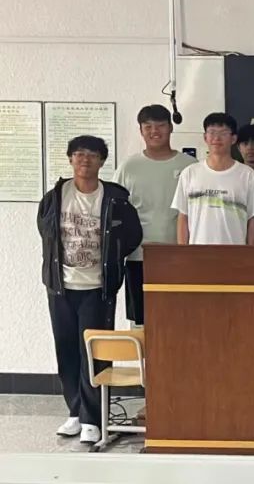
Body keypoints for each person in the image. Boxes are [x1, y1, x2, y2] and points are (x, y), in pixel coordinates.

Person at [38, 135, 142, 444]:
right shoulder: (55, 196)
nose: (85, 160)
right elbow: (45, 231)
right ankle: (75, 412)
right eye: (80, 154)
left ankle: (92, 419)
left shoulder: (114, 198)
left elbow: (132, 235)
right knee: (66, 349)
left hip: (97, 287)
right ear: (70, 159)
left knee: (94, 352)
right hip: (61, 286)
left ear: (102, 161)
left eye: (92, 155)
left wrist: (111, 258)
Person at [113, 104, 195, 325]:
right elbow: (117, 212)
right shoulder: (128, 167)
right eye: (148, 126)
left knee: (180, 319)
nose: (154, 131)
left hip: (179, 256)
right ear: (140, 131)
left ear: (170, 128)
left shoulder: (190, 166)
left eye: (160, 125)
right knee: (142, 322)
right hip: (139, 256)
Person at [172, 113, 254, 245]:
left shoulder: (248, 176)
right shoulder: (189, 173)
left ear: (233, 139)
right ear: (205, 137)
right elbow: (183, 217)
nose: (217, 138)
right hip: (197, 253)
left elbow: (253, 220)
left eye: (223, 133)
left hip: (235, 253)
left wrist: (249, 254)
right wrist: (183, 252)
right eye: (212, 132)